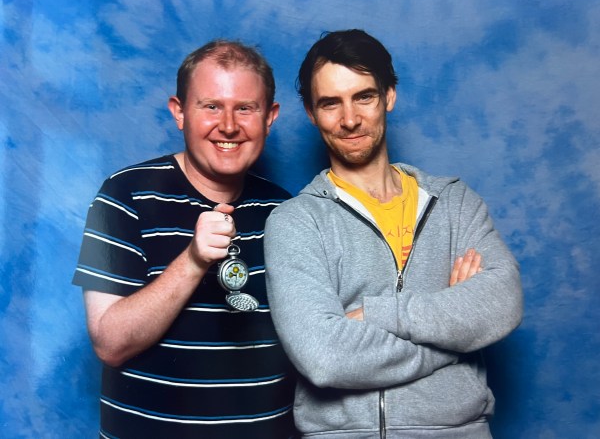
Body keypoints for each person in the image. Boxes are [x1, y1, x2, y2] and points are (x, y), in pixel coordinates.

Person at [264, 29, 523, 438]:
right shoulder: (296, 221)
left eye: (363, 97)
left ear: (389, 96)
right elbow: (325, 357)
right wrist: (457, 335)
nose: (350, 119)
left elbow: (502, 302)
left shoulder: (454, 202)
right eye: (331, 103)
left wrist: (380, 314)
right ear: (311, 113)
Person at [73, 40, 296, 438]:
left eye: (245, 108)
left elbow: (314, 333)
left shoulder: (287, 212)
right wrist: (193, 261)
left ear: (270, 117)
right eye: (211, 106)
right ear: (179, 112)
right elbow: (110, 343)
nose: (228, 125)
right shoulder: (123, 196)